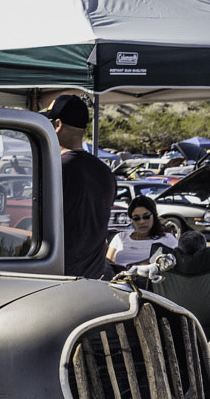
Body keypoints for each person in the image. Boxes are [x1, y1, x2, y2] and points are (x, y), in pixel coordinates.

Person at [45, 95, 115, 278]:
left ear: (57, 124)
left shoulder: (57, 169)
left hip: (58, 276)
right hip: (94, 276)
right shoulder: (104, 172)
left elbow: (40, 224)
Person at [106, 200, 179, 271]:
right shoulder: (120, 237)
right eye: (136, 218)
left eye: (146, 217)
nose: (141, 222)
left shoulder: (168, 239)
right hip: (118, 279)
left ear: (154, 216)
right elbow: (108, 263)